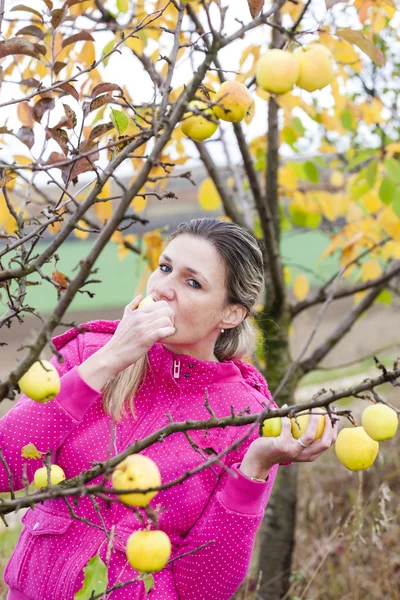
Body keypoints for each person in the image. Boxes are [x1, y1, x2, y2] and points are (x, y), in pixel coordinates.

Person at [0, 218, 338, 600]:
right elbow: (3, 470)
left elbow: (204, 591)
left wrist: (255, 468)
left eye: (192, 282)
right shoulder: (90, 353)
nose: (163, 289)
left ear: (231, 314)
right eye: (164, 268)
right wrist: (108, 360)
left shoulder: (247, 418)